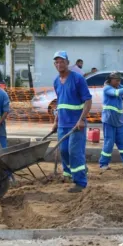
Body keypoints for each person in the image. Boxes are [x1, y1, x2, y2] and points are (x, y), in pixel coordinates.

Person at [52, 51, 92, 193]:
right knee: (64, 151)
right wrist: (56, 121)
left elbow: (88, 100)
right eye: (56, 62)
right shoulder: (56, 81)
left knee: (75, 152)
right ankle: (75, 172)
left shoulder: (77, 79)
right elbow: (60, 102)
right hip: (63, 123)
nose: (59, 64)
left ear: (68, 63)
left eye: (62, 61)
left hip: (76, 124)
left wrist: (81, 120)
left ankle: (80, 182)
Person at [99, 72, 123, 170]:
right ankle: (103, 164)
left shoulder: (119, 86)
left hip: (120, 121)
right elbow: (116, 93)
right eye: (117, 80)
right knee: (109, 142)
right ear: (110, 80)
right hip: (109, 120)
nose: (118, 82)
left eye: (119, 81)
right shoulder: (107, 88)